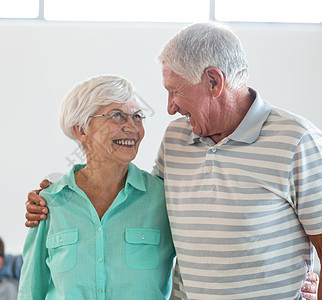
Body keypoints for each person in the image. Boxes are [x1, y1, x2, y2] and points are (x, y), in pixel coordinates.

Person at [25, 22, 322, 299]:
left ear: (213, 81)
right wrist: (54, 190)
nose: (169, 108)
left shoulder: (298, 140)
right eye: (117, 116)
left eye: (174, 91)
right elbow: (137, 193)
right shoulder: (177, 139)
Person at [18, 75, 175, 299]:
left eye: (137, 117)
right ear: (81, 130)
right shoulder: (48, 203)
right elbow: (30, 291)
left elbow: (192, 274)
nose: (131, 127)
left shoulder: (164, 199)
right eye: (117, 116)